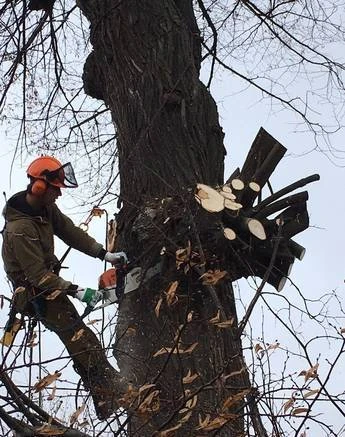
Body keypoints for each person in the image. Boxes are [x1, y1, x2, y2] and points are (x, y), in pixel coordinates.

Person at [1, 156, 127, 419]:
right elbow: (37, 276)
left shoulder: (43, 210)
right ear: (39, 187)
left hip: (50, 285)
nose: (59, 194)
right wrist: (77, 290)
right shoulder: (20, 228)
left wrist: (103, 253)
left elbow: (68, 230)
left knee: (81, 341)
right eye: (55, 188)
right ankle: (113, 391)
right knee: (82, 340)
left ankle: (107, 397)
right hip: (38, 294)